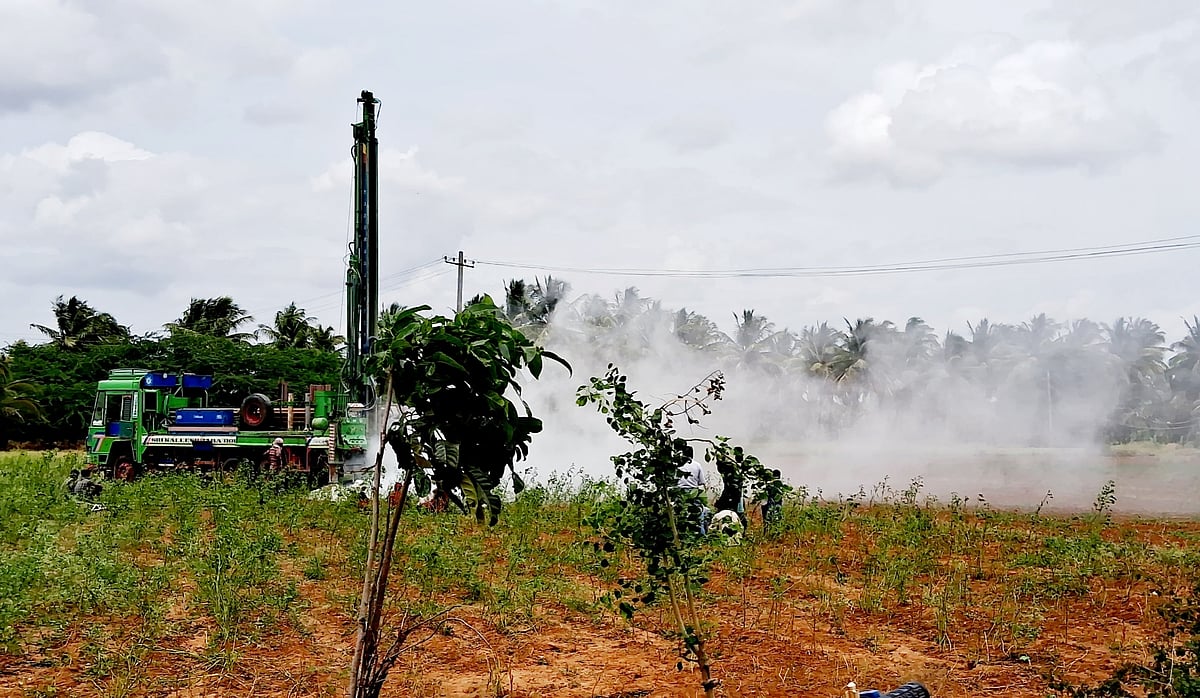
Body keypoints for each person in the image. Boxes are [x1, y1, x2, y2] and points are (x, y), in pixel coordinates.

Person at [677, 461, 710, 534]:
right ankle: (702, 534)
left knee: (680, 514)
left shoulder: (677, 465)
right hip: (694, 492)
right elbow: (702, 482)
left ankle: (681, 534)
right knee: (698, 513)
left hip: (680, 493)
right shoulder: (697, 465)